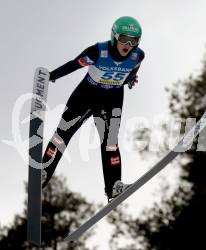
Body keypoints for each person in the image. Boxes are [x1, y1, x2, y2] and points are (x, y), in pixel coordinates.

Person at [41, 16, 145, 203]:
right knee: (62, 135)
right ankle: (44, 171)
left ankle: (114, 186)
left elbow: (132, 72)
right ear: (114, 37)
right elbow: (74, 65)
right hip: (86, 96)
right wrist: (51, 76)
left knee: (110, 143)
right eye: (124, 39)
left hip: (112, 100)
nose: (128, 45)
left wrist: (130, 80)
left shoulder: (138, 56)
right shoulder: (97, 51)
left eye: (134, 41)